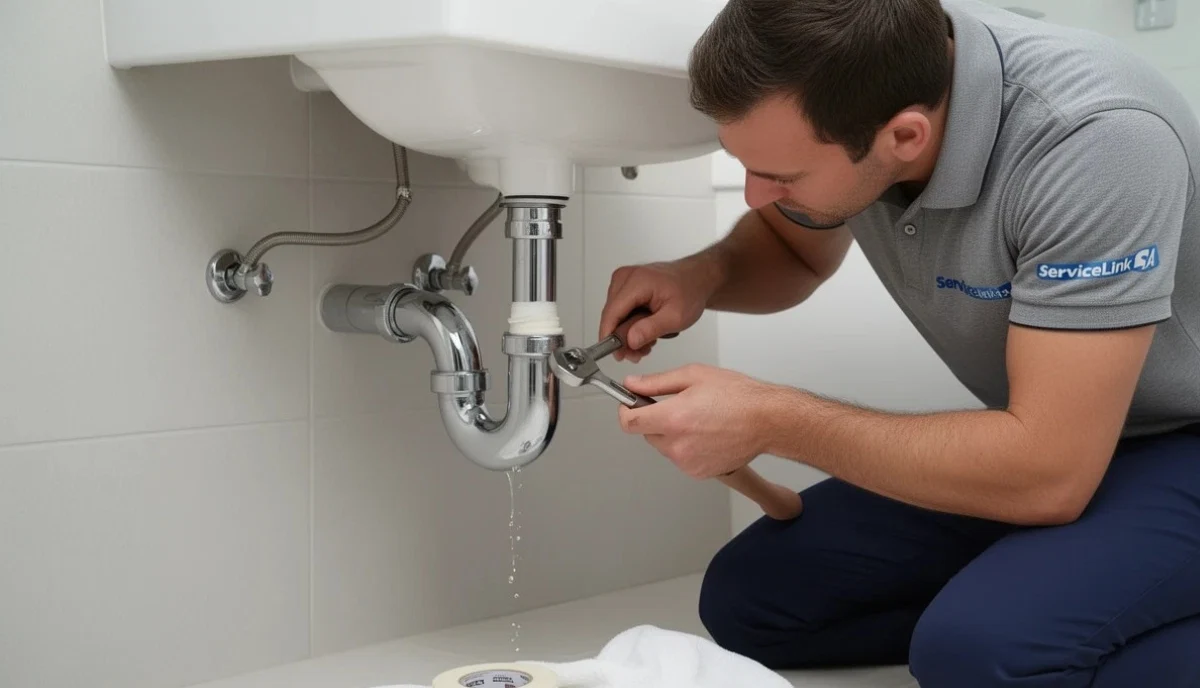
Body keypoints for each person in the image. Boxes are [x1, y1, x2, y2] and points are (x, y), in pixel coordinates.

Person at [597, 0, 1200, 685]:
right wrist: (699, 276)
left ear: (905, 138)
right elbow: (792, 251)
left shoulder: (1093, 140)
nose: (755, 196)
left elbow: (1051, 475)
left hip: (1173, 441)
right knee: (756, 601)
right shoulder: (871, 71)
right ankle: (1054, 601)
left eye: (784, 177)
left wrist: (771, 418)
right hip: (1073, 437)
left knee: (977, 653)